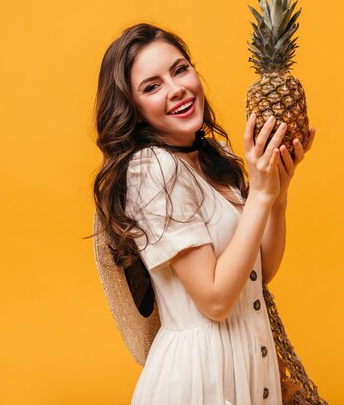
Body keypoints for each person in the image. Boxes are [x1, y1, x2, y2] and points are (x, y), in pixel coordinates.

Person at [92, 23, 316, 405]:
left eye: (180, 69)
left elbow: (257, 271)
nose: (176, 88)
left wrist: (277, 193)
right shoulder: (151, 170)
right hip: (201, 381)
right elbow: (214, 299)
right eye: (152, 86)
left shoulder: (217, 155)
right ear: (132, 108)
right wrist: (259, 195)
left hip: (247, 369)